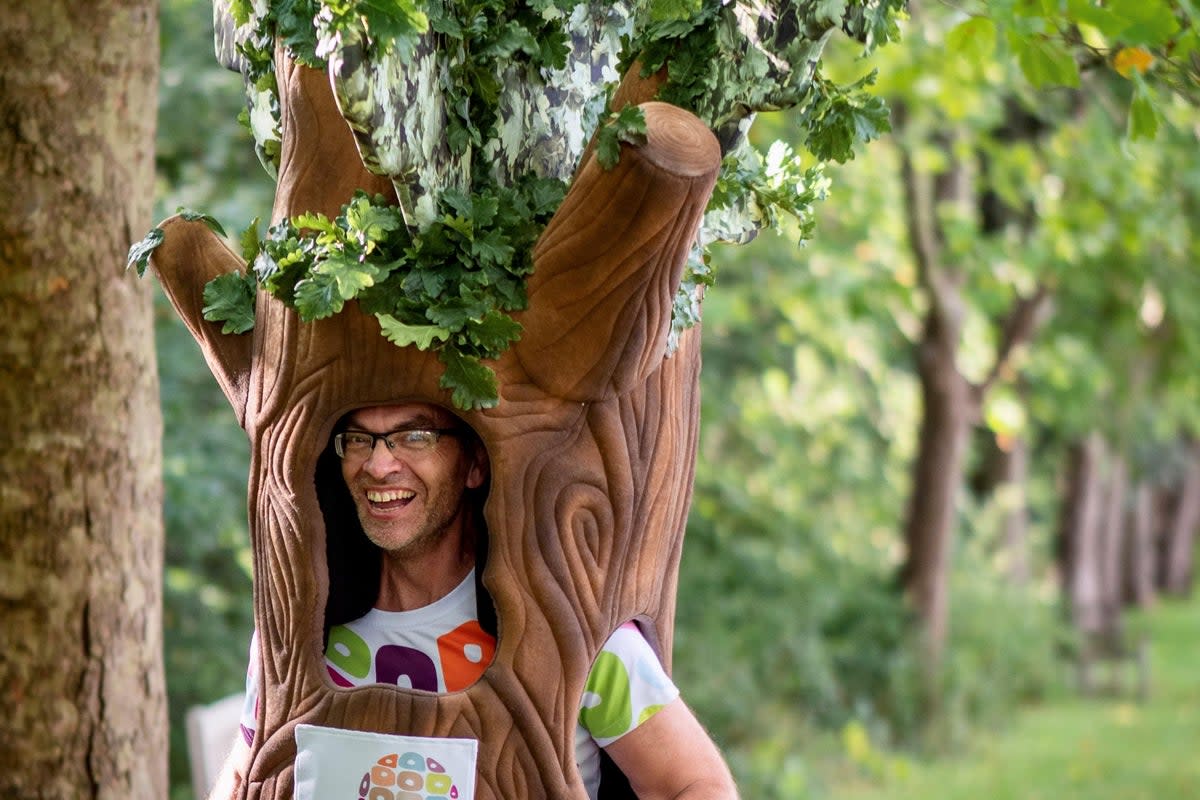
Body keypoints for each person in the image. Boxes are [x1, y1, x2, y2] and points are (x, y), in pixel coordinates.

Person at [208, 402, 738, 800]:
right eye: (359, 439)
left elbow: (695, 786)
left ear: (474, 465)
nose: (378, 464)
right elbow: (243, 775)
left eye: (413, 437)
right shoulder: (299, 632)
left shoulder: (563, 630)